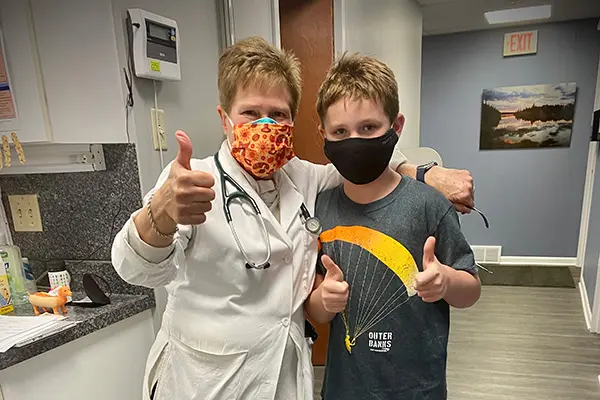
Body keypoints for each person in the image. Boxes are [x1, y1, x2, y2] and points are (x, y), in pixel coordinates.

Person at [111, 37, 475, 400]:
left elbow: (367, 161)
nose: (265, 125)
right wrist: (159, 212)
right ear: (225, 119)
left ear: (292, 121)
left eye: (279, 114)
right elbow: (136, 271)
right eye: (251, 113)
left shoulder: (305, 178)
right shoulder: (192, 181)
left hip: (283, 376)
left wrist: (424, 174)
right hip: (204, 382)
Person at [305, 53, 481, 400]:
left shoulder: (429, 205)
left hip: (418, 390)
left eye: (368, 128)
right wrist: (325, 300)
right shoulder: (320, 208)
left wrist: (445, 282)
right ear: (323, 134)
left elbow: (471, 289)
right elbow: (315, 309)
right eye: (340, 132)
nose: (353, 140)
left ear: (396, 127)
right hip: (344, 389)